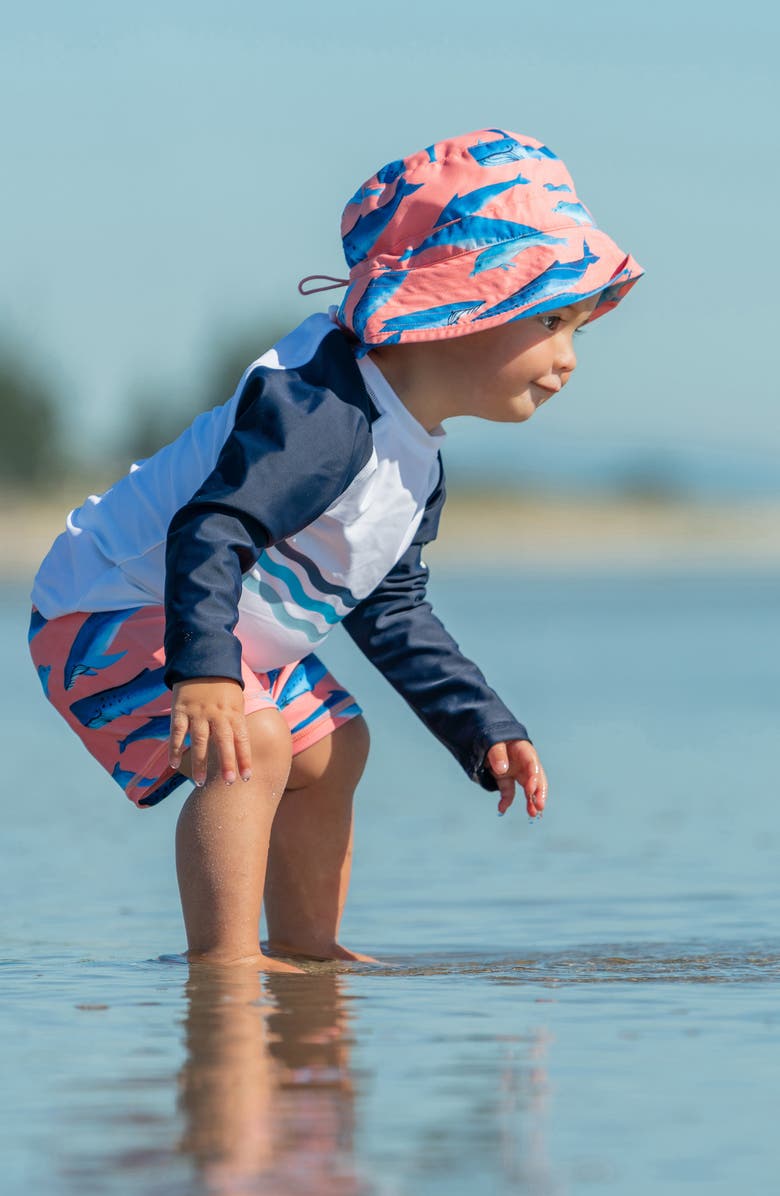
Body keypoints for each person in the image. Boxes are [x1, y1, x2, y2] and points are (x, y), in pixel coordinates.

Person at [28, 128, 643, 970]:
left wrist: (481, 725)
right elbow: (212, 528)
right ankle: (224, 962)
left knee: (339, 744)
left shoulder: (413, 456)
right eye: (550, 321)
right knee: (260, 743)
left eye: (577, 328)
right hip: (108, 604)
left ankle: (307, 951)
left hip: (213, 626)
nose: (569, 359)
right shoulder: (325, 412)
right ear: (464, 308)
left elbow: (392, 610)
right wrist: (205, 673)